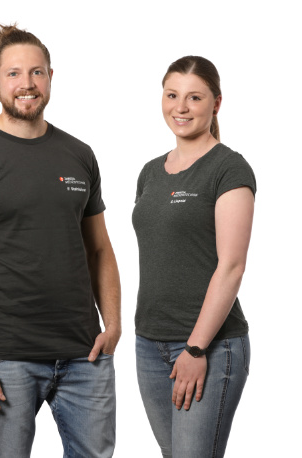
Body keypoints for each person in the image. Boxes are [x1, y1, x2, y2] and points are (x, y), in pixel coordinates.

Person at [0, 24, 121, 458]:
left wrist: (112, 325)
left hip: (85, 355)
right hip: (8, 358)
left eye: (37, 72)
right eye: (14, 74)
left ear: (50, 77)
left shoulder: (79, 154)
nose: (27, 84)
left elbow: (99, 249)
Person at [132, 56, 256, 458]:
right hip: (149, 344)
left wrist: (196, 349)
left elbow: (232, 267)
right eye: (172, 95)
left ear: (216, 103)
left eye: (194, 97)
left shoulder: (228, 169)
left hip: (209, 347)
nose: (180, 107)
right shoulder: (150, 172)